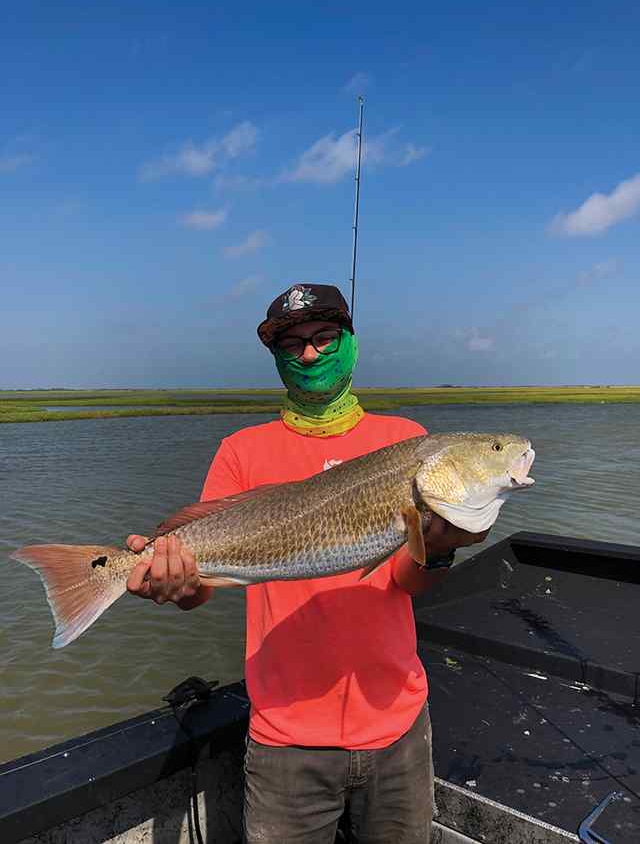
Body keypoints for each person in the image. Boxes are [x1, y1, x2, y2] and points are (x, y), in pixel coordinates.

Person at [126, 284, 489, 843]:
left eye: (323, 337)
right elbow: (203, 587)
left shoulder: (405, 442)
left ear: (350, 342)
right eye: (292, 344)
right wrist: (174, 583)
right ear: (276, 358)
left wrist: (440, 547)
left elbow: (405, 580)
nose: (310, 354)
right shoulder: (240, 451)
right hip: (284, 739)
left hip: (396, 728)